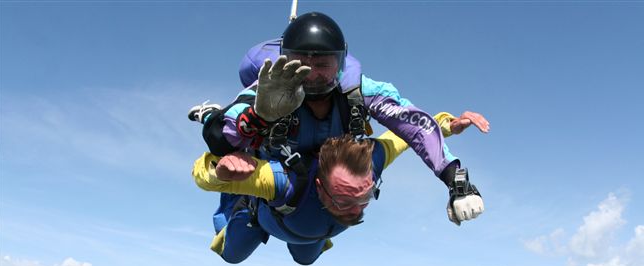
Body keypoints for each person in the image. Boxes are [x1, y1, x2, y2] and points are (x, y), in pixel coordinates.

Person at [188, 11, 489, 225]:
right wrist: (259, 114)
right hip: (283, 161)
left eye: (322, 64)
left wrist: (456, 182)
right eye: (300, 64)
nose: (311, 75)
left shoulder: (361, 91)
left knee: (306, 255)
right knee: (236, 250)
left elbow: (411, 125)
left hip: (328, 169)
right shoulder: (271, 88)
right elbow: (218, 139)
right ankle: (208, 112)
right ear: (285, 59)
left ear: (341, 63)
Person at [192, 131, 485, 265]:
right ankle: (242, 202)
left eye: (366, 196)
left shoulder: (372, 162)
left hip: (307, 231)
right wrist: (220, 171)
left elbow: (412, 133)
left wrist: (448, 123)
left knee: (305, 260)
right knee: (231, 255)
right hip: (263, 217)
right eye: (343, 201)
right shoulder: (284, 182)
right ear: (319, 186)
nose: (356, 211)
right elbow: (202, 177)